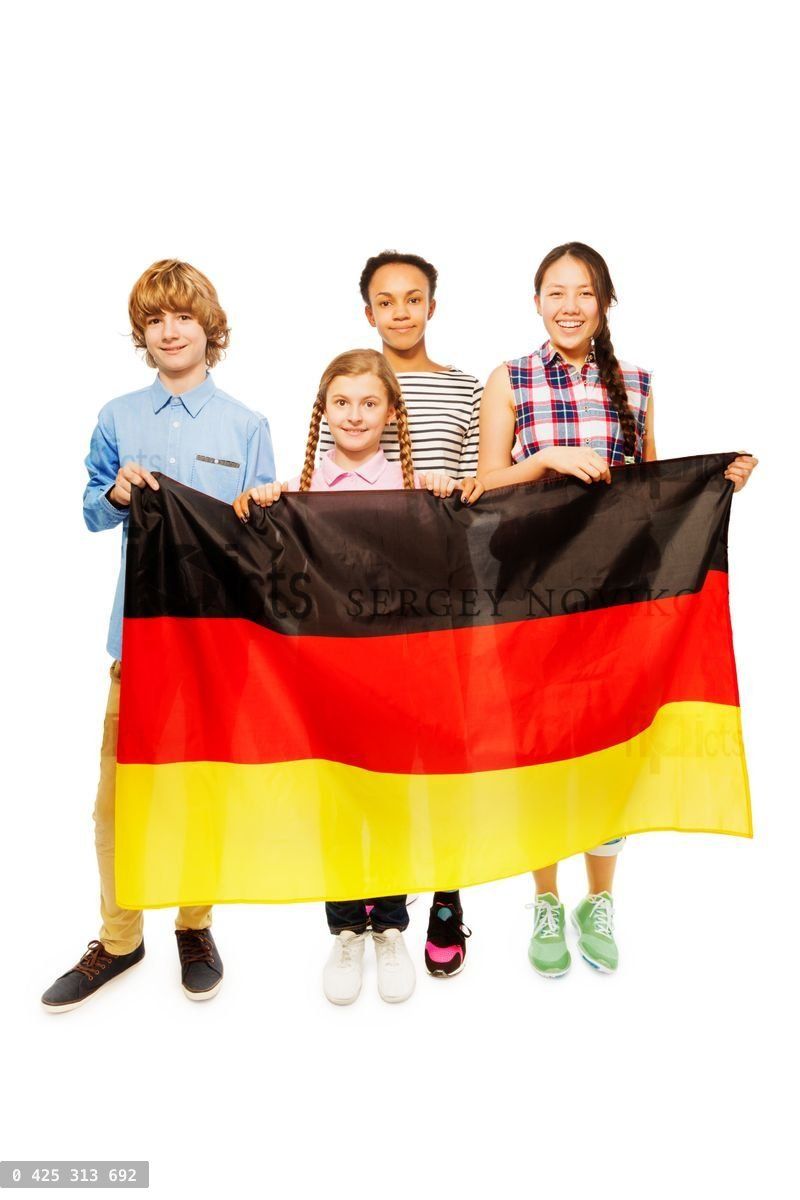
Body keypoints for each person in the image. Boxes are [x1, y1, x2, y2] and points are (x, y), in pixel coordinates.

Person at [477, 241, 758, 977]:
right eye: (556, 291)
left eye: (585, 293)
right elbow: (482, 491)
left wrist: (719, 481)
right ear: (536, 300)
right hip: (532, 596)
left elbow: (654, 491)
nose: (570, 305)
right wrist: (545, 462)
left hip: (616, 601)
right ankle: (544, 898)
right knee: (537, 749)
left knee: (610, 749)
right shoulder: (509, 379)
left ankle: (598, 899)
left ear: (605, 303)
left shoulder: (635, 382)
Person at [41, 259, 276, 1012]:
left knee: (201, 794)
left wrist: (261, 508)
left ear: (209, 326)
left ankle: (195, 924)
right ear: (144, 334)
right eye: (155, 320)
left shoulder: (247, 426)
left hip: (216, 650)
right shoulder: (118, 417)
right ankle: (118, 936)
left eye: (182, 316)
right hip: (137, 647)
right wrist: (114, 489)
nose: (170, 330)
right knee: (117, 800)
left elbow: (268, 543)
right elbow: (89, 509)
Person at [235, 348, 459, 1005]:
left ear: (392, 413)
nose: (355, 415)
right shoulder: (299, 496)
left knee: (389, 804)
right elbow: (250, 555)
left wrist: (448, 502)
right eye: (342, 402)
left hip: (397, 682)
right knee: (336, 807)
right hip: (326, 683)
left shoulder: (415, 494)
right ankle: (345, 928)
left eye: (369, 403)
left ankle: (389, 924)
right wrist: (257, 499)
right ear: (323, 411)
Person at [319, 250, 482, 977]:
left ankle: (441, 899)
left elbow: (486, 489)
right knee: (363, 770)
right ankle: (361, 917)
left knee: (441, 758)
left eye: (414, 299)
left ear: (431, 307)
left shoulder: (466, 390)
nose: (401, 311)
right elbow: (323, 517)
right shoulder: (351, 391)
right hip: (355, 628)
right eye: (386, 301)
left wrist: (456, 490)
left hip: (437, 607)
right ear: (369, 312)